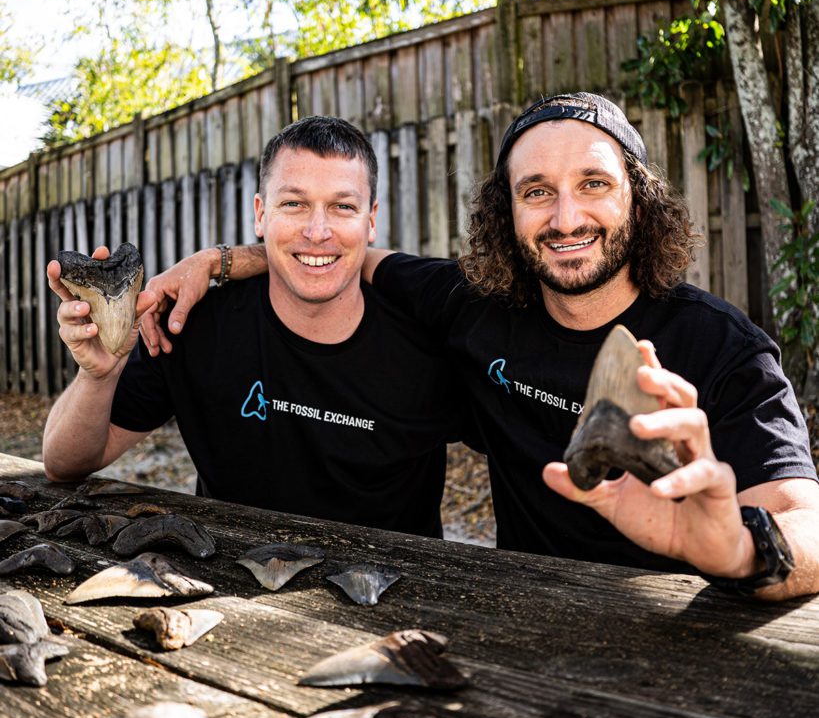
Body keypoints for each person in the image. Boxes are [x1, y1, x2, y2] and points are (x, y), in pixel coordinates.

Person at [140, 93, 819, 601]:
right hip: (515, 618)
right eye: (536, 192)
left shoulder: (722, 347)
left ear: (638, 202)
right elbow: (344, 251)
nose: (565, 217)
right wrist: (223, 262)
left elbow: (807, 527)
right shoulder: (474, 310)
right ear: (507, 214)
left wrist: (737, 546)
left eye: (593, 185)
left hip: (691, 642)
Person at [42, 117, 470, 538]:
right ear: (260, 214)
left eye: (342, 206)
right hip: (228, 586)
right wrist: (98, 376)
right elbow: (64, 464)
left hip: (395, 591)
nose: (317, 231)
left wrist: (217, 260)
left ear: (370, 220)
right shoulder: (192, 326)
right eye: (294, 203)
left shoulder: (428, 342)